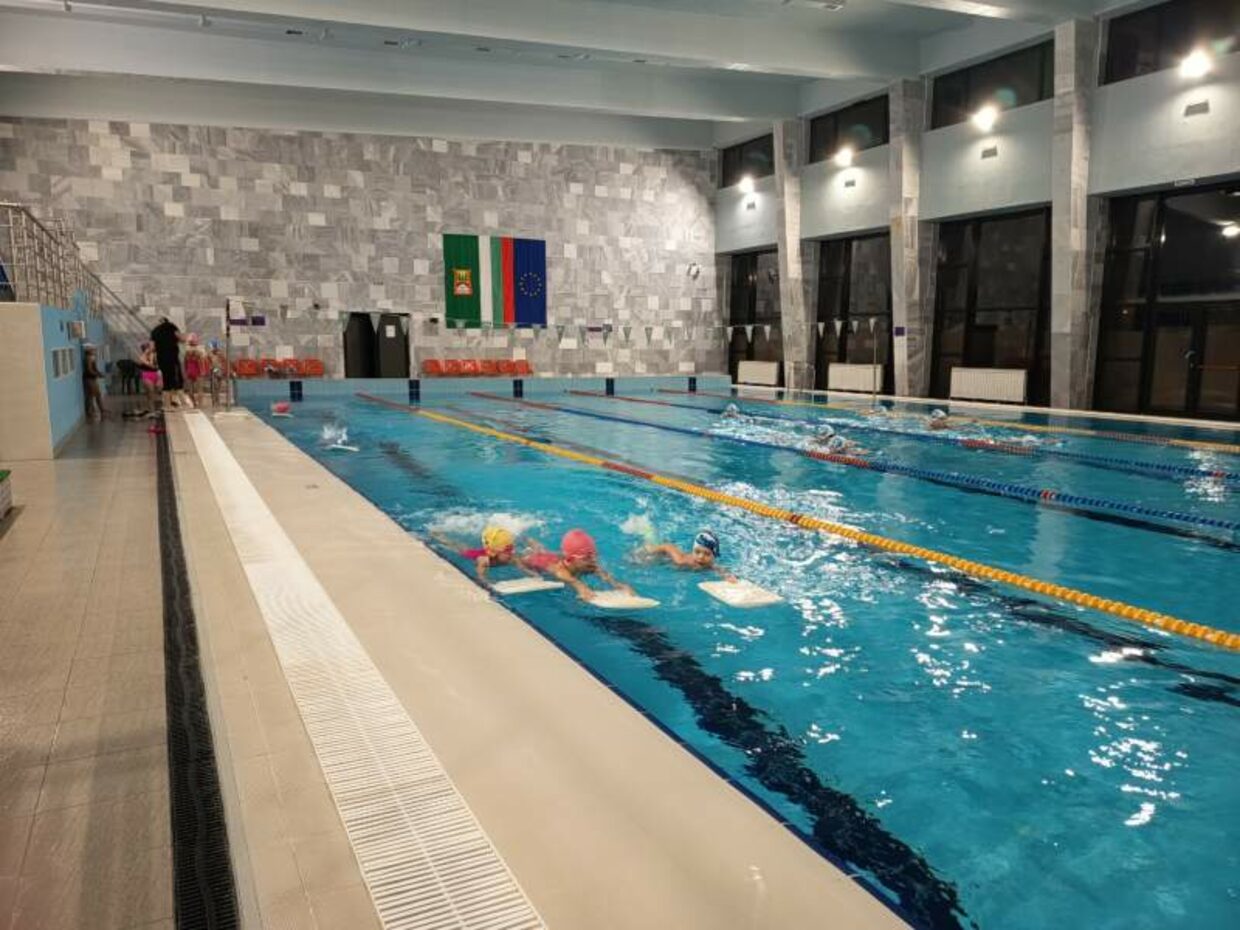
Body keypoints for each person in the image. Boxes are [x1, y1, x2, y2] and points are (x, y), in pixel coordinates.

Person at [522, 529, 635, 603]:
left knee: (542, 550)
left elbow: (605, 576)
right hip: (535, 561)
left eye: (594, 555)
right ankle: (524, 538)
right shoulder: (559, 568)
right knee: (533, 553)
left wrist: (619, 585)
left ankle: (530, 541)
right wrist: (580, 586)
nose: (593, 560)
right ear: (570, 560)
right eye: (587, 557)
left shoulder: (589, 563)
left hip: (560, 556)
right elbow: (561, 574)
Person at [640, 530, 736, 581]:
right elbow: (668, 547)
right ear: (693, 550)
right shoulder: (682, 560)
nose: (701, 557)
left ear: (714, 556)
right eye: (697, 552)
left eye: (707, 554)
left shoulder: (711, 566)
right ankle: (647, 531)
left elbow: (721, 570)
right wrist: (652, 550)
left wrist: (728, 577)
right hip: (664, 558)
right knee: (649, 547)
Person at [452, 525, 528, 582]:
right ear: (496, 554)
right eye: (506, 553)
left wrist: (533, 575)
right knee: (458, 548)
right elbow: (480, 577)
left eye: (510, 551)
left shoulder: (512, 558)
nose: (510, 554)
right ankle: (445, 540)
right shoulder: (484, 560)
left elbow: (524, 569)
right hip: (471, 555)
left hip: (489, 550)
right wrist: (488, 582)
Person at [150, 316, 188, 408]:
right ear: (167, 321)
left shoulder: (155, 331)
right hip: (172, 357)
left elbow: (152, 348)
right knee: (177, 379)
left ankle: (167, 404)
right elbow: (182, 339)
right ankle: (183, 403)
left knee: (166, 380)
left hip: (161, 358)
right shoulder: (171, 327)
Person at [182, 333, 207, 408]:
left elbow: (203, 359)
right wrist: (185, 372)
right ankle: (195, 403)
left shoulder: (199, 349)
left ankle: (199, 404)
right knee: (192, 390)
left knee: (198, 389)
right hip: (192, 370)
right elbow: (185, 362)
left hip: (197, 370)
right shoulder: (188, 350)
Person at [82, 345, 106, 420]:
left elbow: (95, 369)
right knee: (91, 396)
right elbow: (89, 370)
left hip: (92, 379)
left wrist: (99, 373)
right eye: (92, 349)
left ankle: (100, 410)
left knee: (95, 395)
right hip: (89, 379)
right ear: (88, 351)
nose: (94, 351)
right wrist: (98, 374)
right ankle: (91, 412)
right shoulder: (88, 359)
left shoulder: (92, 358)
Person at [208, 341, 228, 407]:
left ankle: (217, 400)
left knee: (218, 387)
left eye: (215, 347)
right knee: (214, 386)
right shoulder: (210, 354)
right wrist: (210, 367)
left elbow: (224, 360)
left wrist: (223, 369)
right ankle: (214, 400)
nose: (214, 349)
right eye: (213, 347)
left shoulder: (220, 353)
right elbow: (208, 362)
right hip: (214, 370)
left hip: (219, 370)